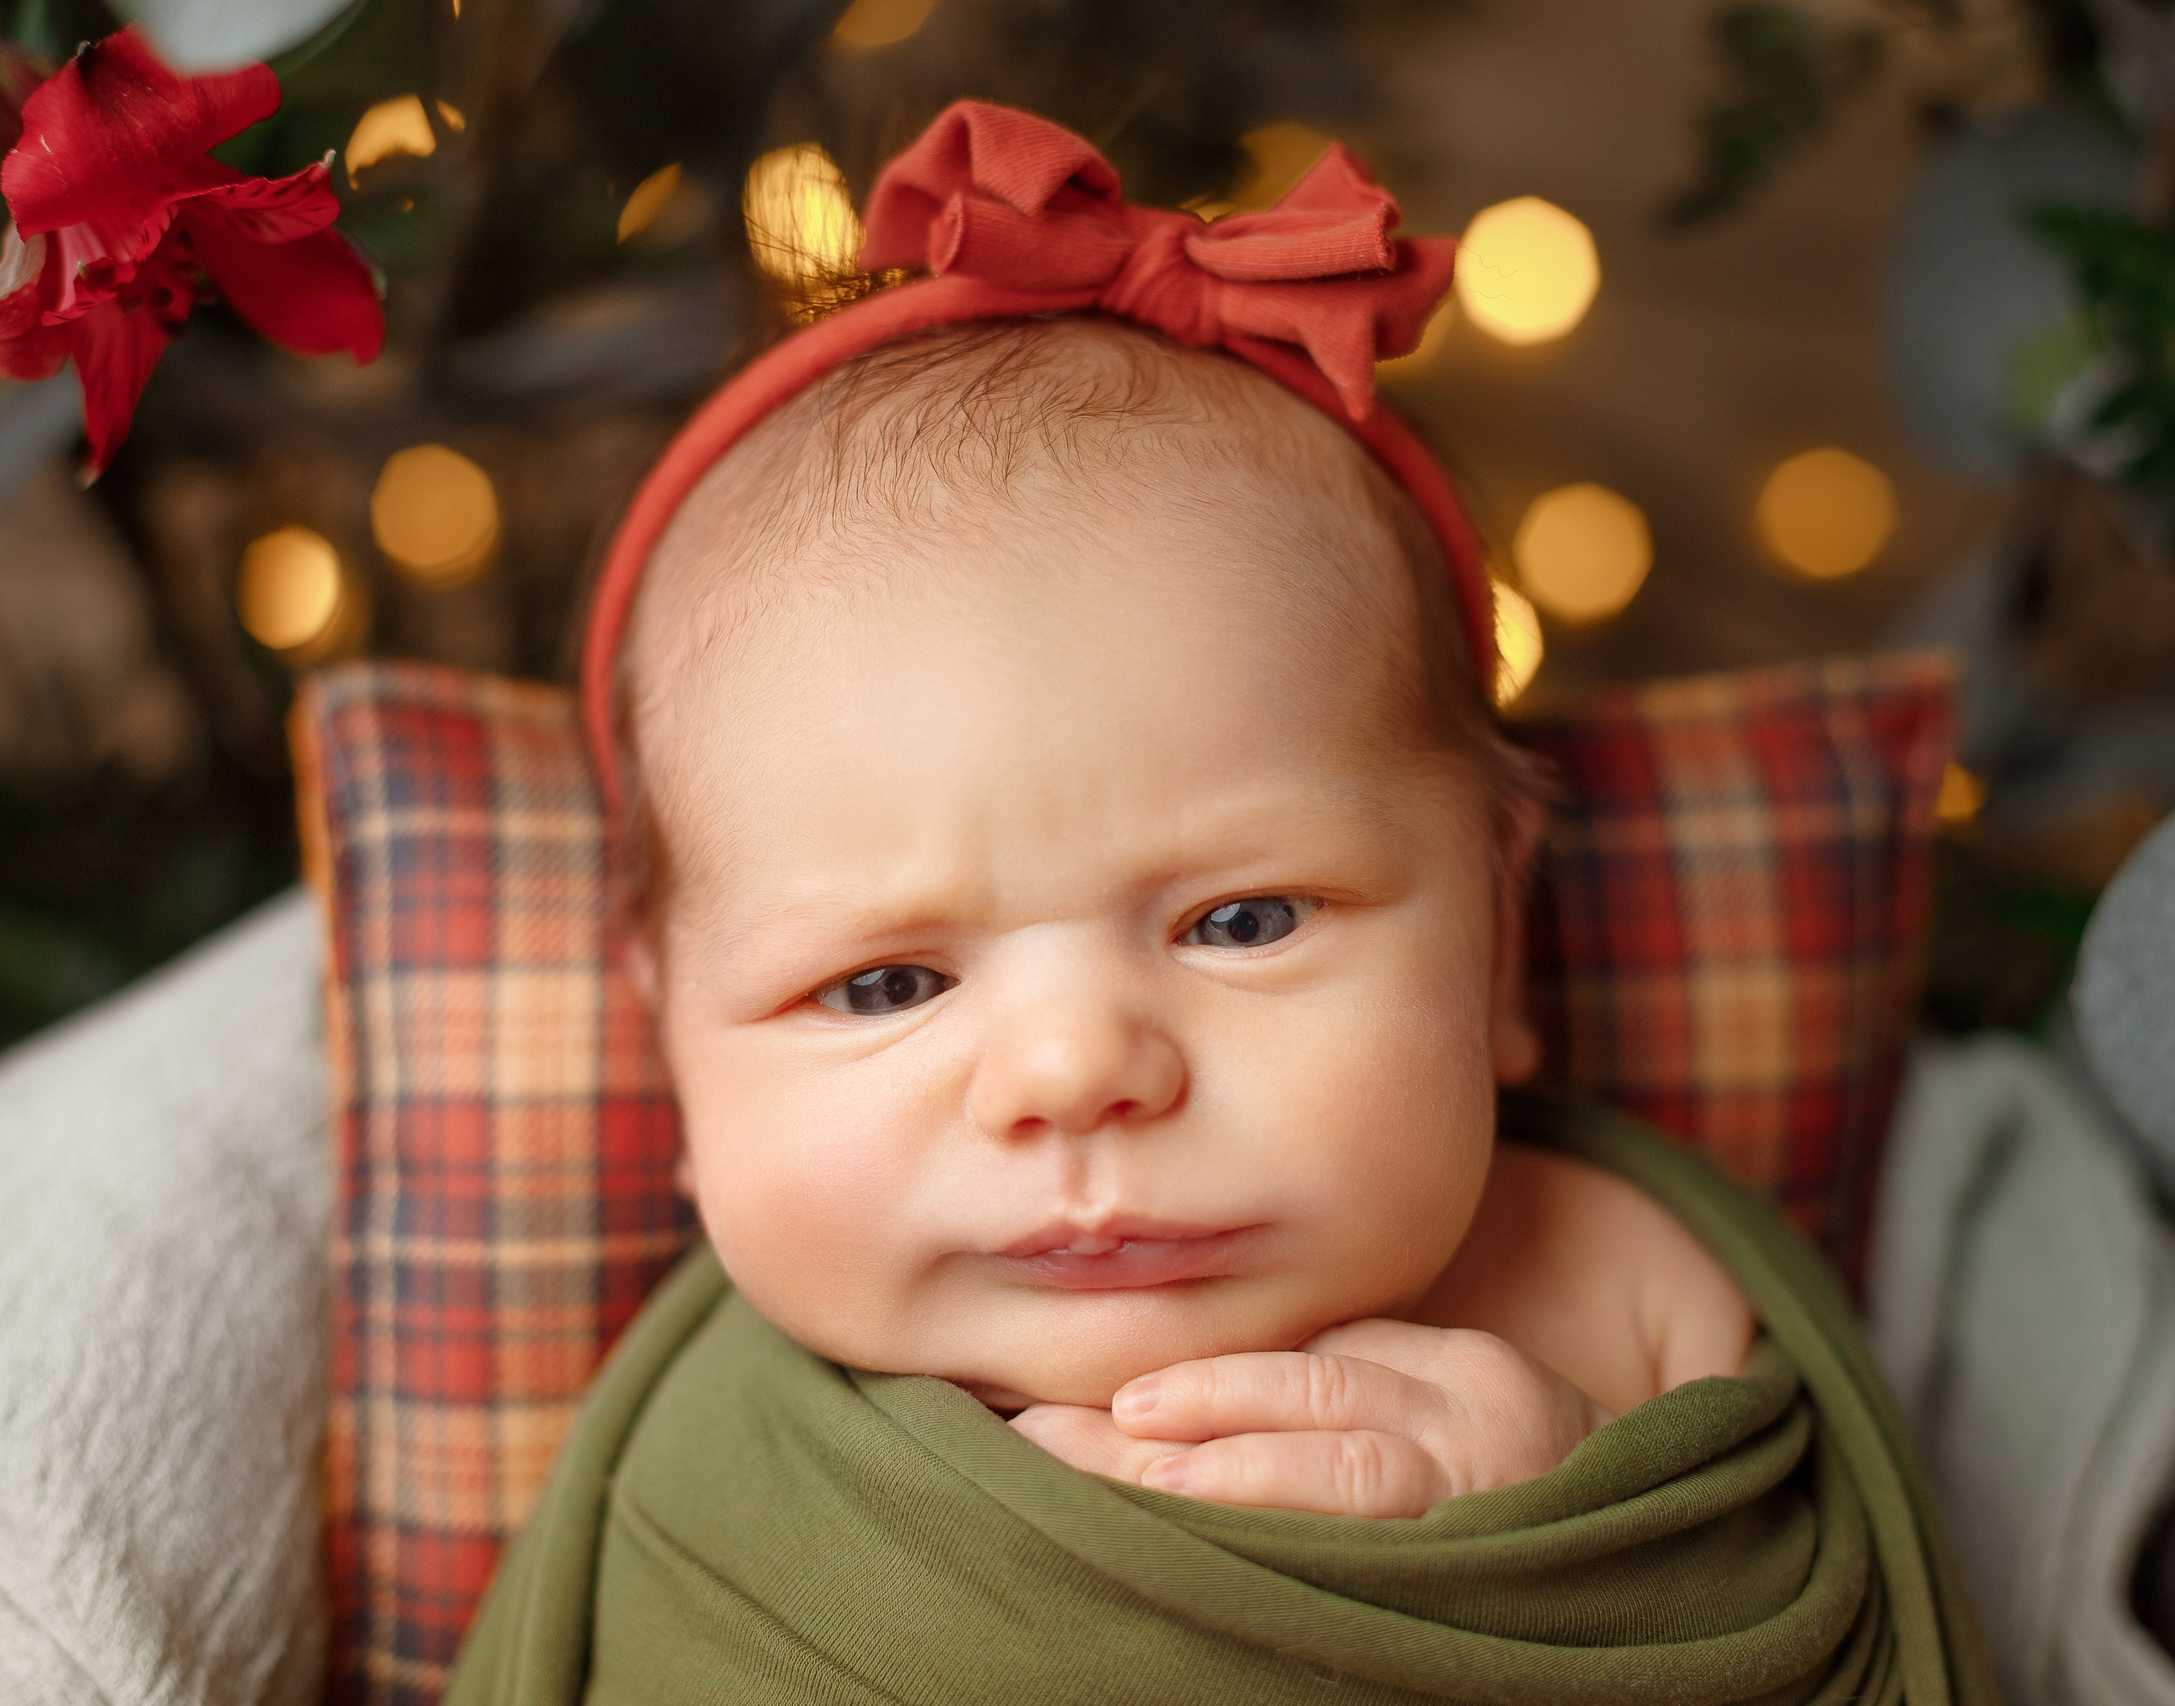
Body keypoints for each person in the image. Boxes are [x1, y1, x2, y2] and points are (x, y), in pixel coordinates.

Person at [446, 99, 1992, 1706]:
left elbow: (1845, 1650)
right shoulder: (699, 1469)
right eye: (885, 984)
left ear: (1498, 946)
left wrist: (1581, 1529)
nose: (1074, 1072)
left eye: (1245, 921)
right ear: (678, 1055)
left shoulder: (1620, 1282)